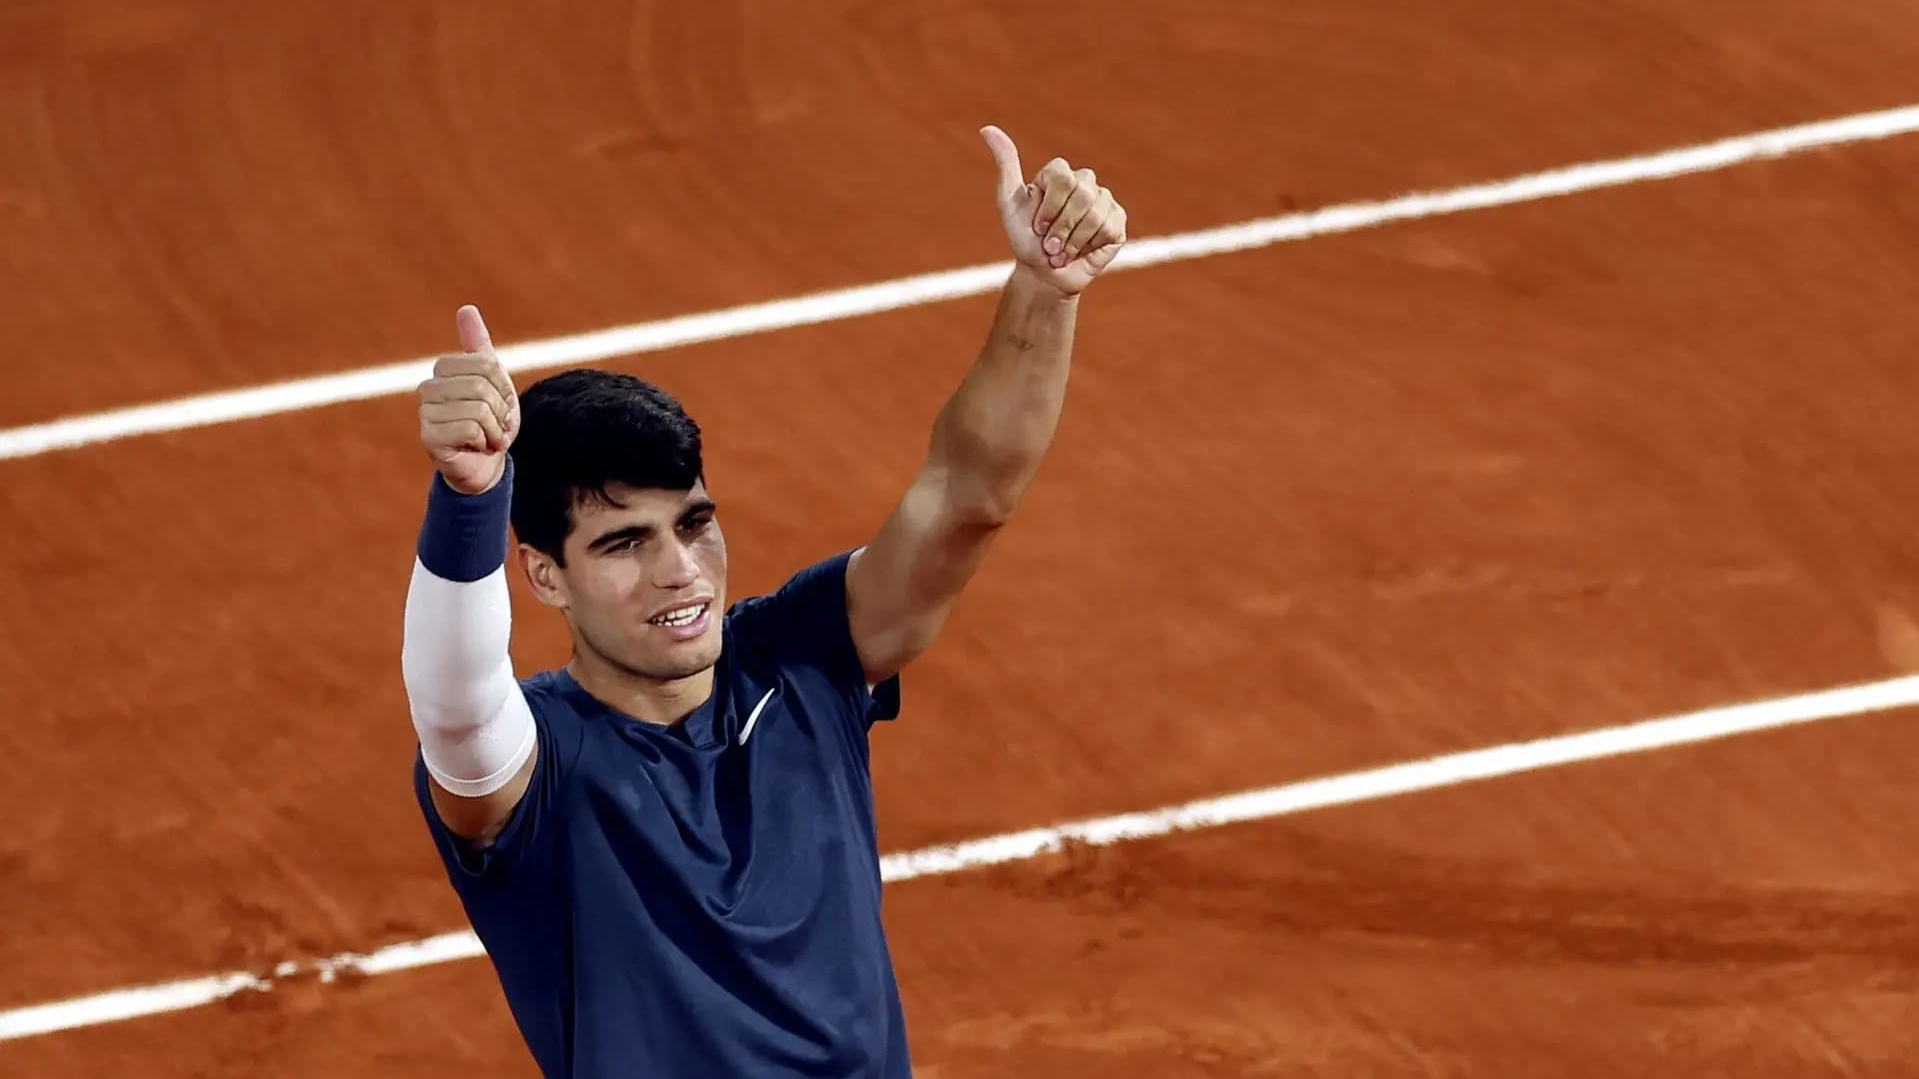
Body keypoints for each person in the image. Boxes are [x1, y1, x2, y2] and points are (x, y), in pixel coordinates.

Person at [401, 125, 1128, 1079]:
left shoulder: (804, 657)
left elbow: (964, 498)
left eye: (693, 524)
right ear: (544, 575)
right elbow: (452, 694)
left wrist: (1044, 290)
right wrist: (468, 499)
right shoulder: (532, 772)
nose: (680, 571)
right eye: (623, 543)